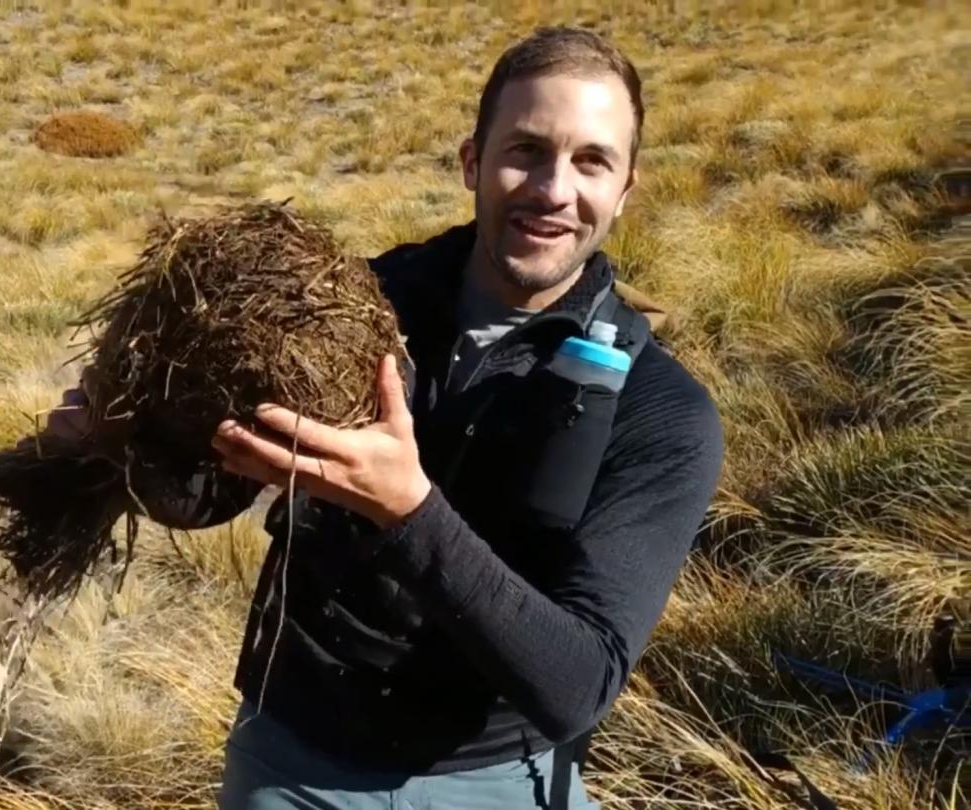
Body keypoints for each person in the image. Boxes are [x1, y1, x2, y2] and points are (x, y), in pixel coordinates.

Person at [44, 26, 723, 810]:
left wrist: (406, 510)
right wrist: (121, 451)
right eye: (526, 151)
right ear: (473, 161)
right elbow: (216, 490)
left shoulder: (659, 409)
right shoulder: (351, 306)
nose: (554, 189)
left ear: (626, 187)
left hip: (501, 778)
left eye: (591, 161)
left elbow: (578, 685)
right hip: (294, 760)